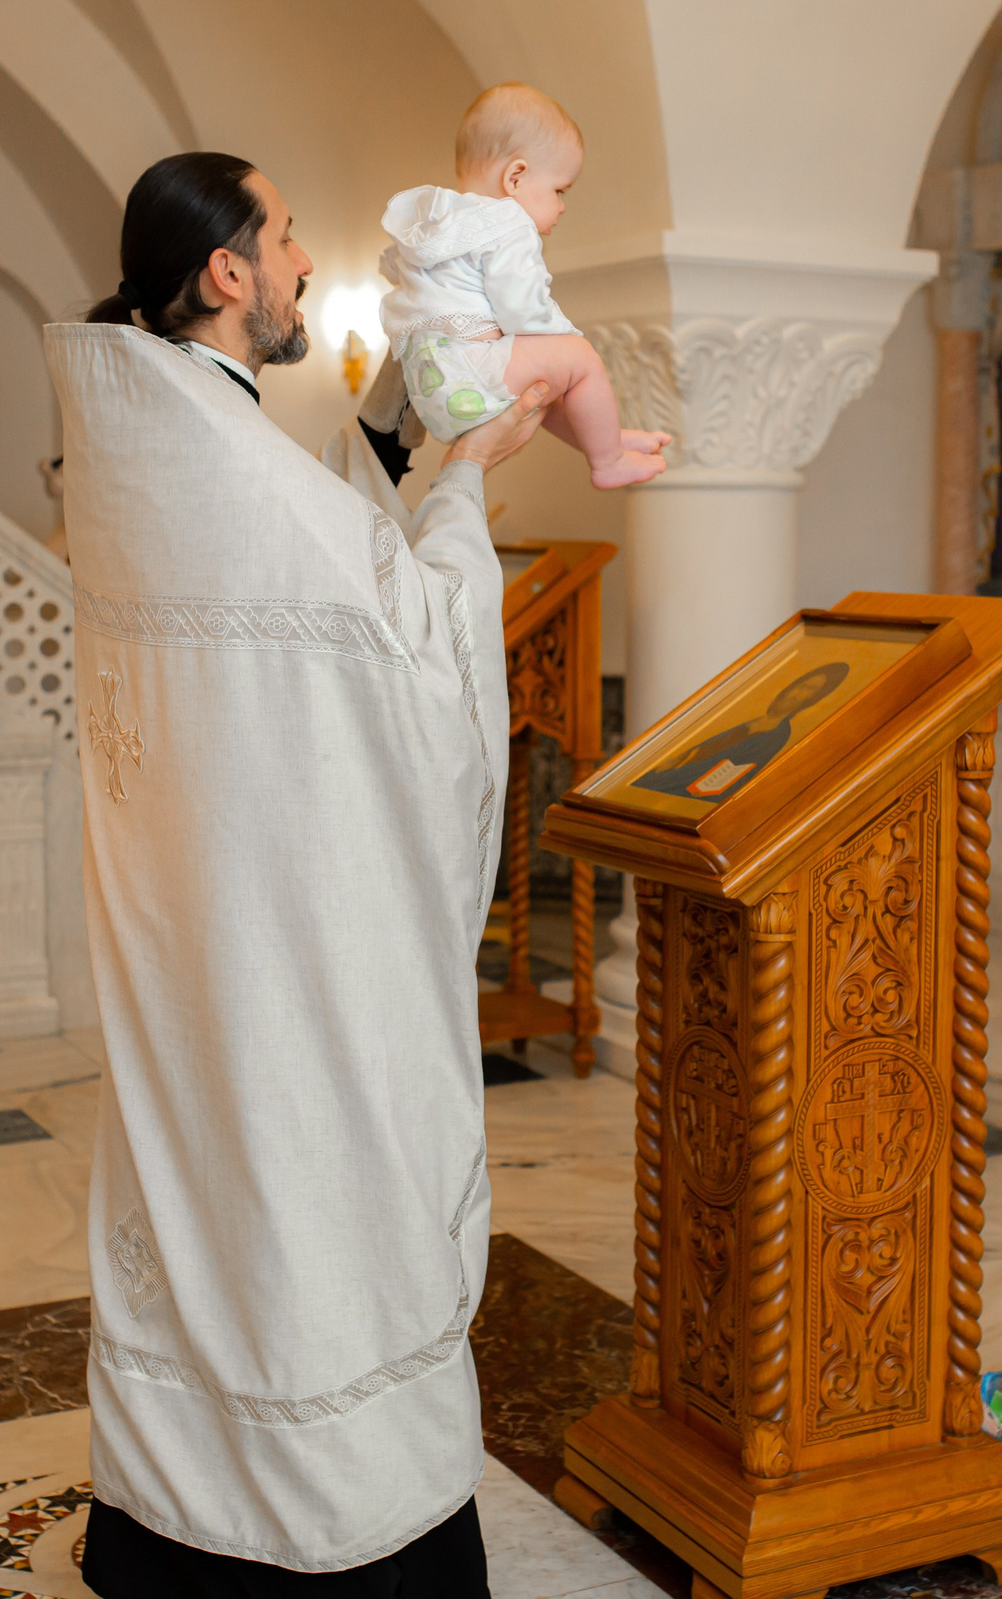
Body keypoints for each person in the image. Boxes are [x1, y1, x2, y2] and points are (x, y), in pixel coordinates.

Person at [47, 151, 554, 1597]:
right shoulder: (205, 445)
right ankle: (327, 1527)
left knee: (208, 1173)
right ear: (226, 273)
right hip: (282, 930)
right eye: (283, 240)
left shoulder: (161, 430)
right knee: (311, 1198)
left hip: (204, 910)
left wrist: (398, 422)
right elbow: (410, 642)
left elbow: (312, 541)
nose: (303, 264)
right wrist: (463, 481)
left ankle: (175, 1520)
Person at [379, 83, 670, 489]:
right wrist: (569, 339)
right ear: (515, 177)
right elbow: (523, 311)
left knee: (551, 381)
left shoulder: (446, 223)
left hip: (437, 389)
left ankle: (604, 441)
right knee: (580, 358)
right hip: (471, 374)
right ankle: (608, 460)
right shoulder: (507, 223)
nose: (563, 206)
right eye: (559, 190)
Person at [632, 661, 848, 801]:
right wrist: (677, 759)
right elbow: (707, 744)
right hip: (678, 770)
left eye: (807, 690)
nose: (796, 690)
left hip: (695, 788)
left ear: (811, 700)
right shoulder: (754, 716)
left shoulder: (777, 735)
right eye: (800, 684)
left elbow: (738, 773)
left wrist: (694, 787)